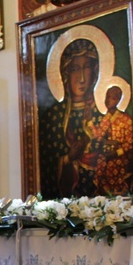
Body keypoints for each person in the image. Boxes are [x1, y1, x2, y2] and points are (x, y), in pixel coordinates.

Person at [39, 38, 104, 198]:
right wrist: (68, 158)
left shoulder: (104, 114)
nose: (82, 78)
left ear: (95, 71)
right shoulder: (52, 117)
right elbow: (45, 164)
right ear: (65, 73)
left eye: (87, 67)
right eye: (75, 69)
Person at [90, 85, 133, 195]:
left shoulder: (126, 119)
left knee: (113, 167)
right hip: (106, 154)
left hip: (119, 156)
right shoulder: (106, 118)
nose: (108, 100)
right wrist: (89, 123)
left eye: (112, 98)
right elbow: (99, 136)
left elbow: (129, 143)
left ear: (118, 100)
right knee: (99, 165)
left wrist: (116, 153)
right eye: (107, 97)